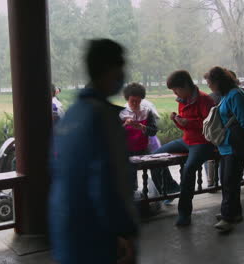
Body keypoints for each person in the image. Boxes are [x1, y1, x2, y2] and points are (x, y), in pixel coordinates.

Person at [48, 39, 138, 264]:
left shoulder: (72, 114)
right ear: (112, 70)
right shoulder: (103, 117)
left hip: (65, 226)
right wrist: (124, 230)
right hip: (96, 233)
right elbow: (108, 181)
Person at [150, 70, 216, 227]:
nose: (175, 93)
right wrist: (177, 120)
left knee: (189, 169)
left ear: (186, 85)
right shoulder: (182, 100)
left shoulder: (205, 100)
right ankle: (171, 187)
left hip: (202, 143)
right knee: (155, 157)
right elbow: (185, 127)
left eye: (176, 89)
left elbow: (211, 127)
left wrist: (188, 123)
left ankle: (184, 213)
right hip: (186, 140)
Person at [205, 67, 244, 232]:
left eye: (210, 83)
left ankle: (228, 217)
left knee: (229, 181)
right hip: (227, 146)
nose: (209, 86)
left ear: (218, 82)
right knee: (229, 181)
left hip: (235, 145)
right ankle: (233, 213)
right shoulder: (227, 95)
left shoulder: (235, 95)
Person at [120, 82, 158, 190]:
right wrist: (125, 124)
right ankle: (133, 195)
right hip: (127, 150)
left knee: (156, 168)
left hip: (144, 148)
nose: (135, 104)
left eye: (138, 101)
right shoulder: (121, 113)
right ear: (127, 99)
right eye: (132, 101)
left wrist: (142, 127)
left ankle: (160, 192)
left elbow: (154, 131)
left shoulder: (147, 112)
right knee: (130, 177)